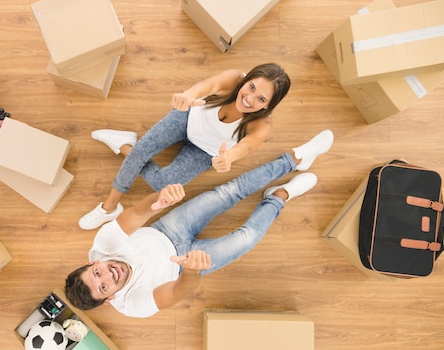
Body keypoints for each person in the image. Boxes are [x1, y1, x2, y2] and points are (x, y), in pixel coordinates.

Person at [65, 129, 334, 318]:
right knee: (246, 238)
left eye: (97, 273)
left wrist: (158, 201)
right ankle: (279, 196)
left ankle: (295, 158)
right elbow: (175, 292)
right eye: (104, 287)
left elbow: (136, 212)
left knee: (229, 191)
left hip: (167, 230)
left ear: (93, 262)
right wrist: (192, 271)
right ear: (110, 298)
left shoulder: (103, 245)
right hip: (184, 266)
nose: (108, 276)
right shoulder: (133, 306)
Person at [79, 63, 292, 230]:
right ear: (247, 80)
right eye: (251, 87)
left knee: (162, 184)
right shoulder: (235, 78)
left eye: (260, 98)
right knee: (142, 152)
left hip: (205, 151)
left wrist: (229, 158)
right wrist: (189, 95)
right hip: (188, 118)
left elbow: (246, 147)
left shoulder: (263, 124)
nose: (249, 98)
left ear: (267, 105)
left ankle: (127, 146)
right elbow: (209, 85)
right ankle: (109, 207)